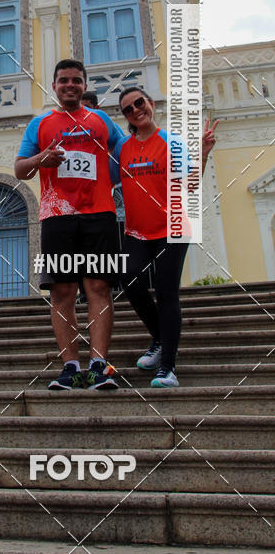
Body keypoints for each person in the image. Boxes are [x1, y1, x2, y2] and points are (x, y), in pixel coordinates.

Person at [15, 59, 125, 391]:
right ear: (55, 85)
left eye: (76, 80)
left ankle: (99, 365)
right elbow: (21, 169)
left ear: (84, 85)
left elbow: (124, 158)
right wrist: (40, 160)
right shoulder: (40, 124)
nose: (70, 85)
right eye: (64, 80)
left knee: (99, 289)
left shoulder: (102, 120)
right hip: (57, 217)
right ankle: (70, 367)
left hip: (100, 215)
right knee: (62, 292)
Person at [113, 87, 219, 387]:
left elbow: (190, 185)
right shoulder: (122, 148)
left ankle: (167, 368)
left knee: (166, 290)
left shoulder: (171, 142)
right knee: (129, 277)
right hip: (136, 231)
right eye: (128, 109)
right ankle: (160, 339)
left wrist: (204, 153)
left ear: (151, 104)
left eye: (139, 103)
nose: (135, 111)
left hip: (172, 228)